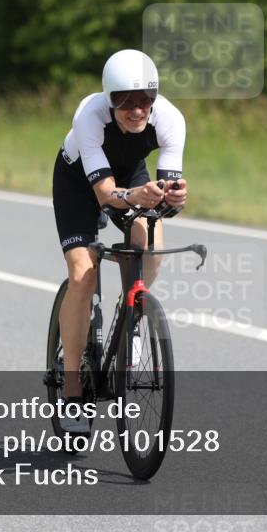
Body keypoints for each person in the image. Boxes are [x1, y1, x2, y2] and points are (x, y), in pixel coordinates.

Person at [51, 49, 187, 433]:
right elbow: (105, 193)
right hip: (81, 183)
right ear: (109, 100)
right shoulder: (89, 116)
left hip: (131, 176)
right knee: (83, 275)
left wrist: (173, 197)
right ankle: (74, 392)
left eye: (145, 99)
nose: (137, 109)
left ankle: (132, 312)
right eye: (125, 101)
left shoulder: (170, 120)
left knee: (152, 251)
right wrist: (135, 196)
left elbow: (168, 188)